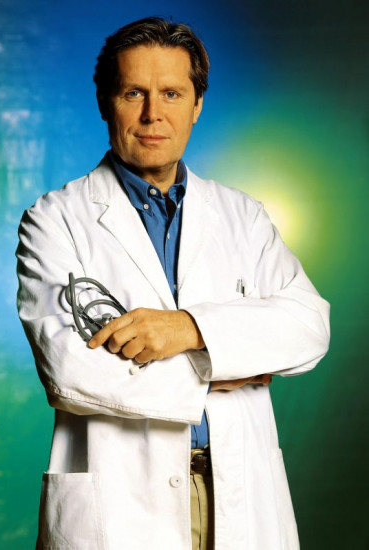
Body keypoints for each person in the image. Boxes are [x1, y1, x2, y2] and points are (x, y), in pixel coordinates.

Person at [16, 17, 330, 550]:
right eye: (133, 93)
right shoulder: (55, 220)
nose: (152, 114)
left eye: (172, 93)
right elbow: (70, 370)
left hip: (240, 492)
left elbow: (309, 326)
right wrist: (221, 364)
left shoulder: (243, 216)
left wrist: (188, 330)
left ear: (197, 105)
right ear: (105, 102)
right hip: (119, 506)